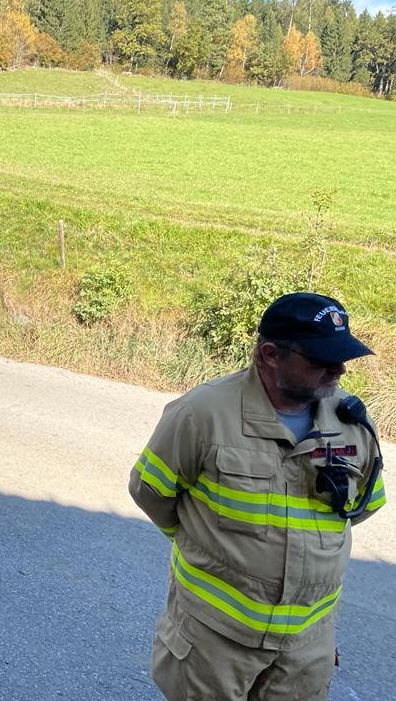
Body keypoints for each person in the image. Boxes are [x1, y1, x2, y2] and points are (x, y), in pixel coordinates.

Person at [129, 292, 386, 701]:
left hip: (306, 646)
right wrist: (202, 544)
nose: (339, 369)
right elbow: (151, 491)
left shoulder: (351, 421)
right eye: (322, 359)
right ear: (270, 354)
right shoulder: (203, 413)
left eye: (342, 357)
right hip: (215, 638)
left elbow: (363, 505)